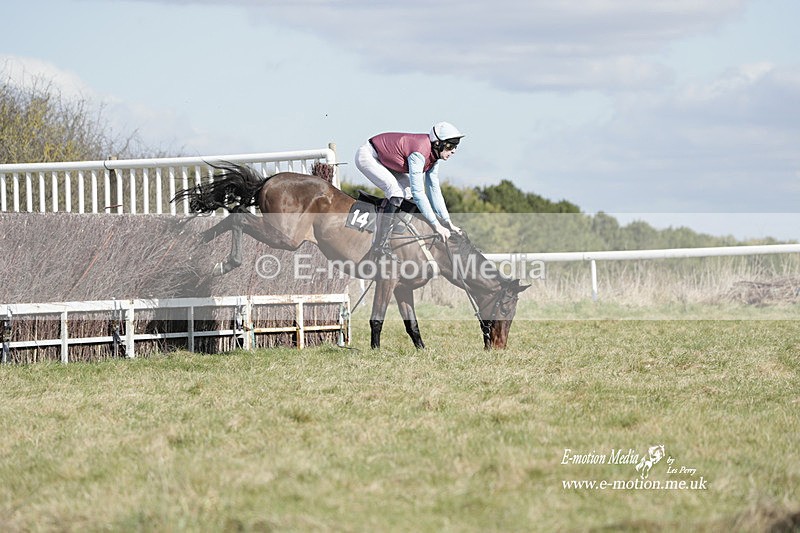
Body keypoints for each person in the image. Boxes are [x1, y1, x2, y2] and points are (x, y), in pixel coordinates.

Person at [355, 121, 464, 258]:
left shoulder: (434, 157)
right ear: (437, 143)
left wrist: (448, 222)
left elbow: (434, 190)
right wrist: (436, 225)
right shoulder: (419, 153)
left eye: (455, 146)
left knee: (406, 193)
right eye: (450, 146)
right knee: (397, 193)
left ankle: (398, 235)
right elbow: (419, 193)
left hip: (385, 160)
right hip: (368, 155)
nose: (453, 150)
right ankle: (380, 246)